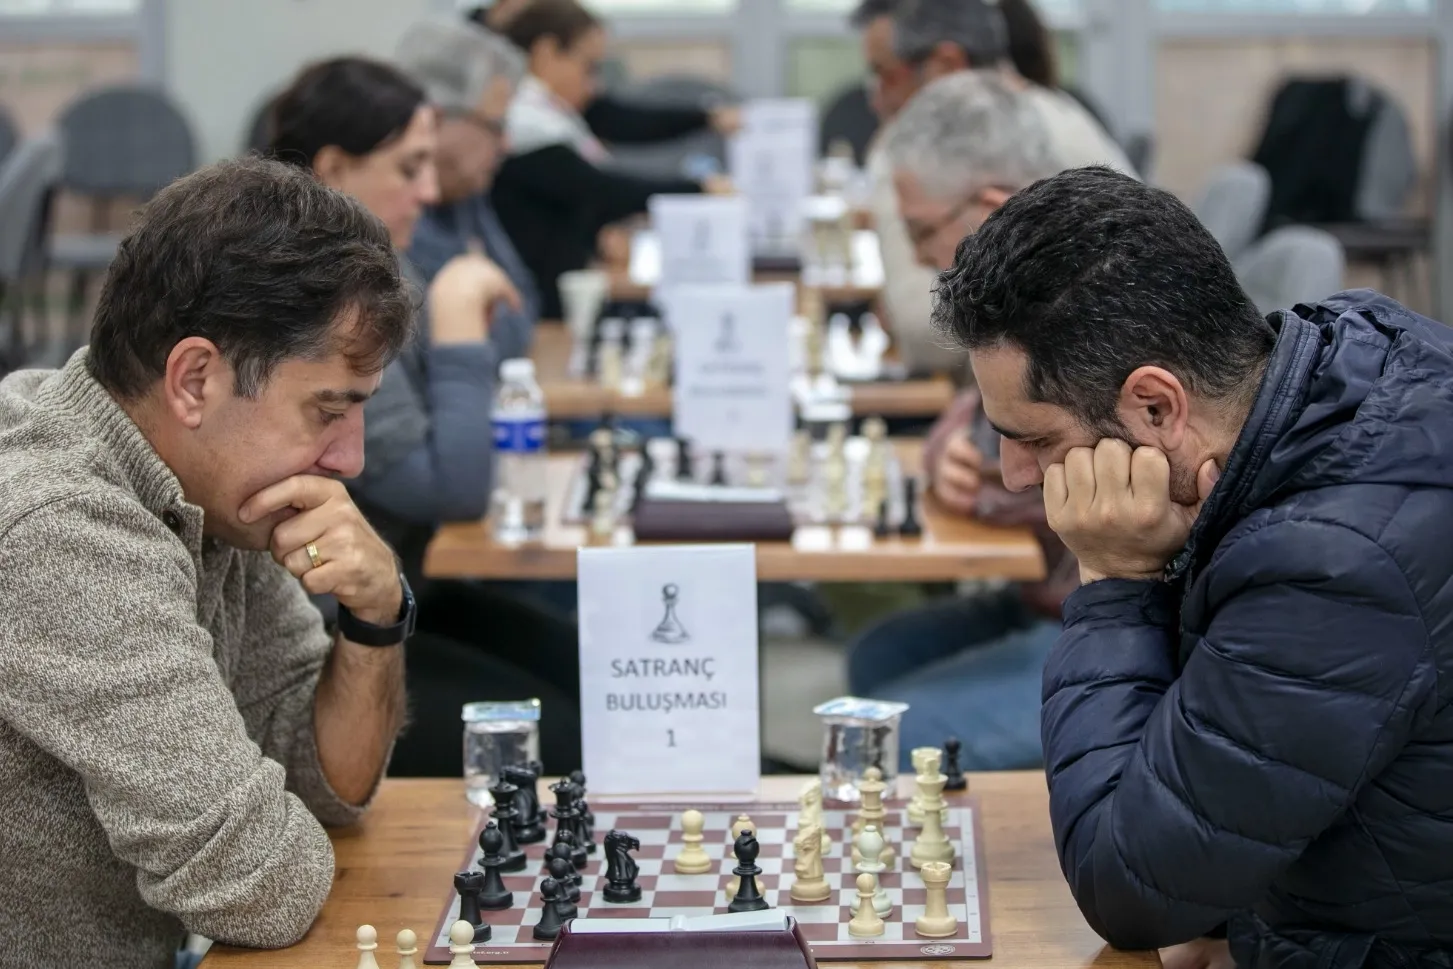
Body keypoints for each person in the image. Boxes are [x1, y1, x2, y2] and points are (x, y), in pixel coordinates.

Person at [943, 164, 1453, 968]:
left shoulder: (1332, 564)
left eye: (1035, 438)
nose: (1013, 474)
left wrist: (1115, 581)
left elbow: (1130, 891)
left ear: (1155, 406)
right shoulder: (1349, 358)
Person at [0, 157, 413, 968]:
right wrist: (262, 829)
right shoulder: (58, 530)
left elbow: (321, 782)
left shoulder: (202, 482)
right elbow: (258, 883)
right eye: (326, 410)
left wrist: (375, 616)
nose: (351, 460)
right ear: (194, 379)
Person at [267, 55, 583, 775]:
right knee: (560, 736)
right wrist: (458, 317)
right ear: (333, 168)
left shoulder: (381, 264)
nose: (431, 191)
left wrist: (466, 271)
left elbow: (516, 328)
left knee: (591, 671)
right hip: (320, 640)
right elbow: (454, 486)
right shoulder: (316, 305)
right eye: (409, 169)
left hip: (403, 593)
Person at [845, 71, 1069, 771]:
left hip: (1120, 632)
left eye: (922, 230)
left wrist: (971, 478)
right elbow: (964, 424)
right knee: (876, 657)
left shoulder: (1076, 309)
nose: (916, 256)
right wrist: (949, 457)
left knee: (883, 737)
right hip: (1047, 593)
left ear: (991, 210)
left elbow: (1013, 485)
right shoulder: (1018, 300)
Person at [854, 0, 1131, 377]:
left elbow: (919, 327)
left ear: (946, 64)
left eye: (885, 75)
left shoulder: (927, 149)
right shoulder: (1064, 115)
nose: (876, 99)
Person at [493, 0, 735, 319]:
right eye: (589, 66)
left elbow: (622, 125)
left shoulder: (549, 112)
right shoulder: (522, 121)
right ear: (546, 52)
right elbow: (598, 189)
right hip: (535, 308)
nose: (595, 85)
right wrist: (698, 189)